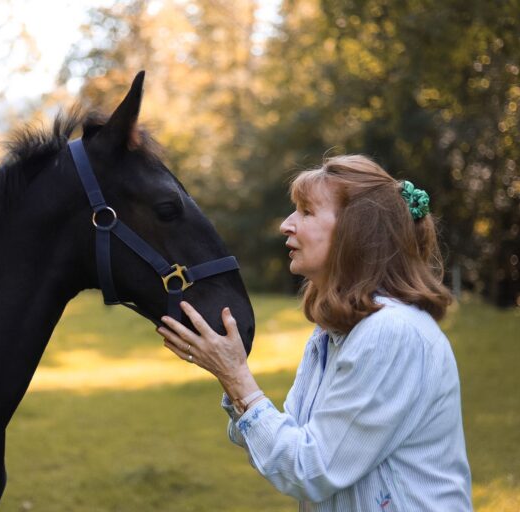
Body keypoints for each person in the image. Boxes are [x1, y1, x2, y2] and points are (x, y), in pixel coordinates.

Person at [157, 154, 472, 511]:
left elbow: (309, 470)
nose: (286, 225)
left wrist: (235, 375)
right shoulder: (330, 334)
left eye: (306, 212)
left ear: (357, 232)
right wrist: (230, 375)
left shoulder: (391, 332)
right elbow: (288, 445)